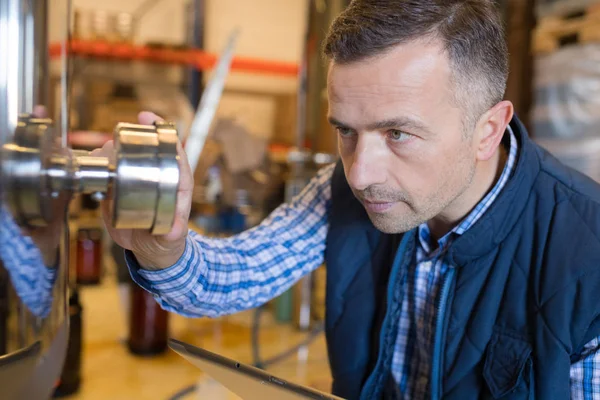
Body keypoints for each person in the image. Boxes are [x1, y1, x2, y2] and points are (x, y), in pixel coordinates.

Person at [99, 1, 600, 399]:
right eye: (346, 131)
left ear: (487, 129)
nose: (360, 173)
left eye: (398, 133)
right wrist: (163, 248)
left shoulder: (587, 253)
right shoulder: (346, 190)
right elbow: (235, 276)